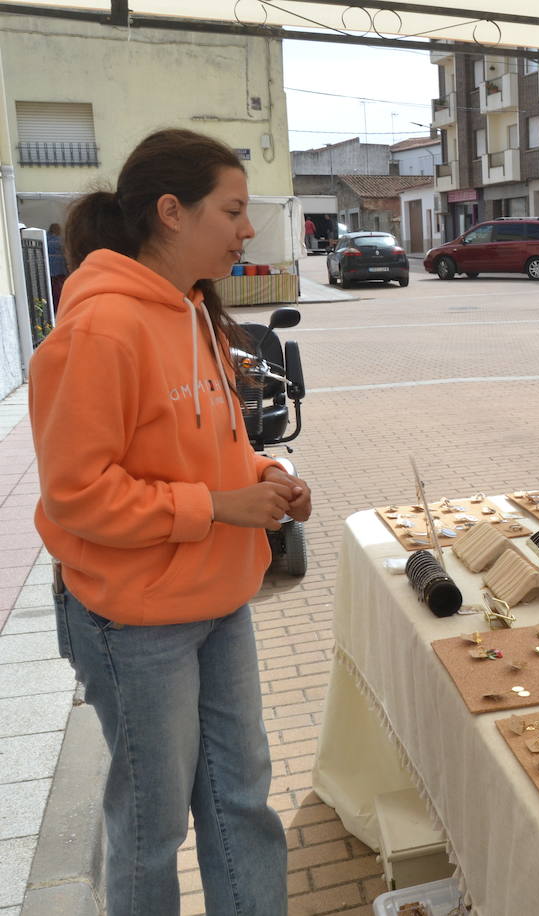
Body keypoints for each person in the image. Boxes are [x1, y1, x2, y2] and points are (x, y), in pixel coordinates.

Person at [29, 129, 310, 916]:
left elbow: (218, 453)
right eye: (233, 210)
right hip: (136, 621)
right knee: (152, 829)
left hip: (221, 600)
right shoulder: (98, 330)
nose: (247, 229)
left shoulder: (199, 317)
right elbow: (78, 496)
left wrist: (271, 478)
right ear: (170, 214)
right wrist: (219, 508)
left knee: (240, 804)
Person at [46, 222, 68, 314]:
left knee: (51, 289)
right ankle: (61, 307)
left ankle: (53, 307)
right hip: (60, 268)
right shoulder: (60, 241)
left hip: (49, 269)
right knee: (59, 289)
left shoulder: (46, 239)